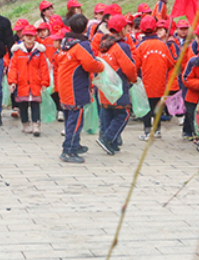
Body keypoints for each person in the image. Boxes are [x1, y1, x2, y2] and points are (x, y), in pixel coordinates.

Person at [57, 14, 104, 163]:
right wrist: (100, 66)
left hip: (64, 85)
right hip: (74, 86)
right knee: (75, 118)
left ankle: (74, 144)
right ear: (86, 28)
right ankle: (69, 150)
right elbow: (89, 64)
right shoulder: (81, 45)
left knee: (69, 117)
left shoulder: (66, 42)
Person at [95, 15, 137, 155]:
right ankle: (107, 139)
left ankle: (109, 142)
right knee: (123, 114)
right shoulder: (122, 46)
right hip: (118, 87)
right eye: (127, 27)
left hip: (104, 87)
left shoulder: (103, 44)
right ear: (122, 29)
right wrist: (134, 79)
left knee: (107, 111)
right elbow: (129, 67)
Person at [133, 15, 175, 140]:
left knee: (146, 108)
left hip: (145, 83)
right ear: (155, 28)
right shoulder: (163, 45)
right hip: (160, 83)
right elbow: (171, 63)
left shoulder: (140, 46)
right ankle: (157, 130)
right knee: (157, 107)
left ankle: (147, 131)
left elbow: (135, 65)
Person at [8, 25, 49, 136]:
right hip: (22, 83)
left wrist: (45, 82)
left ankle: (36, 124)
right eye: (27, 36)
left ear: (35, 37)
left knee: (35, 104)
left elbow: (44, 68)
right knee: (23, 104)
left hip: (36, 83)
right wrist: (12, 81)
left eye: (32, 36)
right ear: (23, 37)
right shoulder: (17, 52)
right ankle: (25, 124)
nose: (29, 38)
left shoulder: (39, 52)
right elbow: (13, 67)